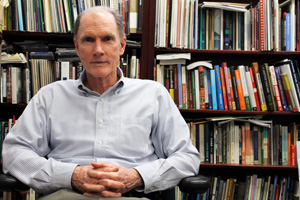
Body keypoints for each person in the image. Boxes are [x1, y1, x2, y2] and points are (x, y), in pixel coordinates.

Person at [2, 6, 201, 200]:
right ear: (77, 47)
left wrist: (137, 176)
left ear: (122, 45)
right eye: (89, 40)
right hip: (65, 195)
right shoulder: (50, 96)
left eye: (107, 39)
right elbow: (14, 153)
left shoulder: (153, 94)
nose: (98, 50)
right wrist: (71, 175)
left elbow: (186, 158)